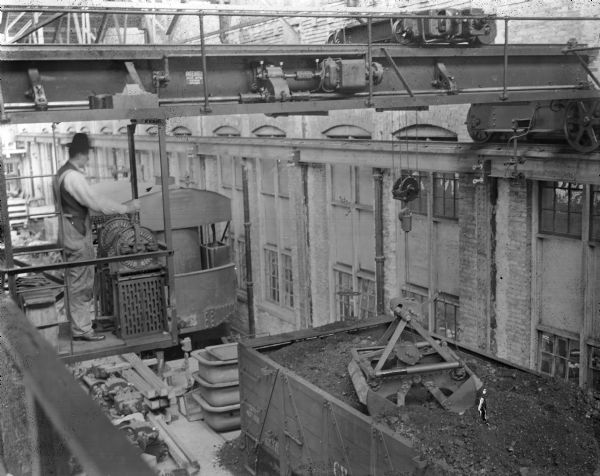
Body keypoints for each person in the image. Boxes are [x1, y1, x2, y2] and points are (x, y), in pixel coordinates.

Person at [55, 132, 140, 342]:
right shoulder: (73, 177)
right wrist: (126, 208)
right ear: (83, 155)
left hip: (69, 232)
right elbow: (95, 202)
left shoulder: (62, 173)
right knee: (81, 282)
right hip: (75, 235)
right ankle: (82, 330)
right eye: (88, 155)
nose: (89, 160)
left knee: (77, 280)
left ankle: (80, 326)